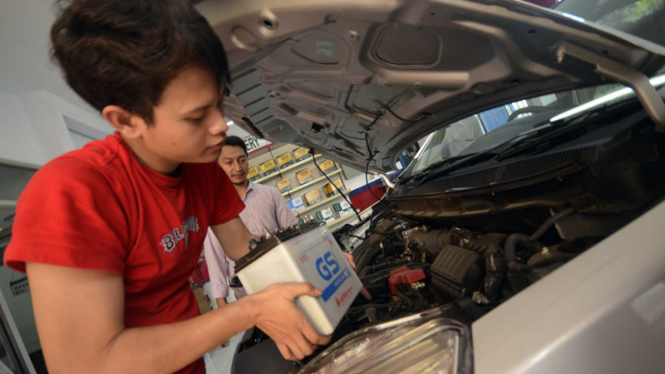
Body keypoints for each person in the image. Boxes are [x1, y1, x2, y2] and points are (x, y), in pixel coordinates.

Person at [3, 1, 330, 374]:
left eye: (219, 101)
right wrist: (250, 309)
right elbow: (87, 364)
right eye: (196, 116)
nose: (221, 126)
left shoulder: (200, 166)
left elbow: (246, 248)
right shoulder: (71, 194)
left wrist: (317, 262)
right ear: (126, 120)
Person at [203, 136, 298, 310]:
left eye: (242, 160)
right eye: (229, 162)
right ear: (217, 166)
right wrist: (221, 301)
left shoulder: (270, 194)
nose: (238, 168)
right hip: (246, 287)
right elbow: (214, 257)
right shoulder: (214, 210)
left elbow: (293, 234)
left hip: (282, 275)